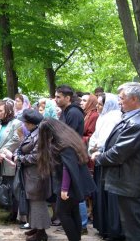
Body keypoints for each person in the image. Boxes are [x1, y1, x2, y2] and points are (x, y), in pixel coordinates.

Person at [91, 82, 140, 241]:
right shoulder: (135, 118)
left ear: (134, 99)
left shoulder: (138, 122)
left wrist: (99, 157)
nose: (119, 102)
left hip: (131, 183)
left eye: (122, 98)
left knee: (134, 228)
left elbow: (118, 153)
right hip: (131, 181)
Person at [38, 119, 96, 241]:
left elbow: (67, 167)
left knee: (63, 213)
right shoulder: (68, 138)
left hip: (69, 186)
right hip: (74, 183)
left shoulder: (62, 144)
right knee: (73, 211)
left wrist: (64, 189)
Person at [88, 93, 123, 240]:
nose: (98, 107)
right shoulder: (102, 117)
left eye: (101, 104)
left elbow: (106, 140)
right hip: (99, 158)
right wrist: (93, 147)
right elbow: (94, 138)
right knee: (100, 195)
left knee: (108, 197)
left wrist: (97, 148)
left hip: (107, 161)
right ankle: (103, 227)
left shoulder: (114, 118)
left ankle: (110, 229)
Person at [11, 109, 51, 241]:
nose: (23, 124)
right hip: (31, 174)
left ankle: (41, 233)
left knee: (38, 202)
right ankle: (36, 227)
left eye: (25, 122)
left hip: (36, 174)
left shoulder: (40, 135)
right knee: (32, 202)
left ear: (30, 123)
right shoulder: (34, 132)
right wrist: (18, 154)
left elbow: (37, 157)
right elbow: (23, 147)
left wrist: (19, 159)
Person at [55, 85, 87, 233]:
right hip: (66, 158)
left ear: (67, 98)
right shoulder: (66, 112)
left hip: (71, 159)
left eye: (58, 97)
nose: (56, 99)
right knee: (71, 203)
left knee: (69, 203)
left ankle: (77, 231)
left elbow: (68, 138)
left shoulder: (73, 113)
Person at [0, 99, 22, 221]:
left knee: (13, 187)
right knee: (2, 184)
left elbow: (16, 139)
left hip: (9, 160)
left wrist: (2, 152)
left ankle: (15, 212)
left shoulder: (17, 123)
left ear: (8, 111)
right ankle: (5, 206)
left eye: (0, 110)